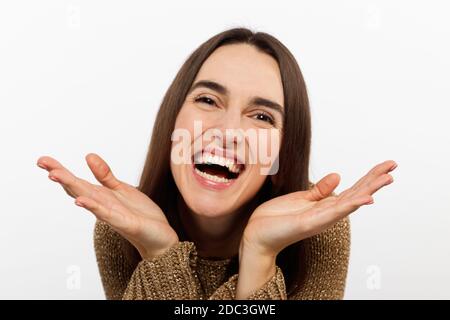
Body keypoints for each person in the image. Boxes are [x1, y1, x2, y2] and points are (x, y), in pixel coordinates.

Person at [37, 27, 397, 300]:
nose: (227, 132)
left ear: (283, 154)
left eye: (261, 116)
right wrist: (159, 255)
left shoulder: (318, 232)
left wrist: (260, 256)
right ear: (172, 121)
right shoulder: (121, 232)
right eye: (208, 100)